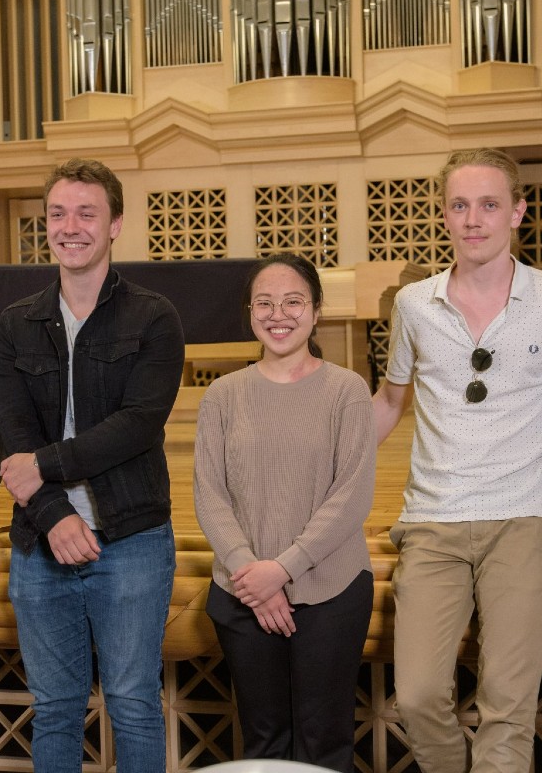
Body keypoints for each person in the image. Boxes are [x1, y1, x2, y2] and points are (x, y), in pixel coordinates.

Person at [371, 147, 542, 773]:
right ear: (445, 215)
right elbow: (388, 403)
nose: (473, 219)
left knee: (508, 708)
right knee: (418, 696)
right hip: (433, 519)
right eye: (459, 205)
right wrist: (323, 480)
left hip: (523, 519)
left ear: (517, 213)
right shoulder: (413, 304)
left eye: (488, 204)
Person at [0, 158, 185, 773]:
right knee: (54, 708)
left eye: (86, 213)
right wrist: (51, 516)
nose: (69, 226)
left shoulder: (153, 317)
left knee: (131, 702)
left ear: (115, 224)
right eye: (57, 213)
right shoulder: (17, 322)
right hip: (39, 541)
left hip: (130, 536)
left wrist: (43, 466)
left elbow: (136, 425)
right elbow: (11, 430)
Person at [194, 253, 377, 772]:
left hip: (330, 592)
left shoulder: (347, 391)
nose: (280, 314)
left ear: (316, 311)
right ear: (250, 313)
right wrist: (251, 571)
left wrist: (283, 569)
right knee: (263, 740)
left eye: (294, 301)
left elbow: (351, 495)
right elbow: (209, 492)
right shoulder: (223, 395)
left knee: (325, 741)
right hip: (242, 592)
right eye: (265, 303)